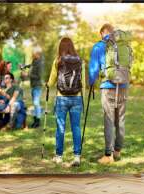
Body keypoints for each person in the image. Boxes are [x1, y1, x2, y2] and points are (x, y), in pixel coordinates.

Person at [89, 23, 128, 164]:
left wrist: (91, 82)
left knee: (109, 120)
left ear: (102, 33)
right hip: (123, 85)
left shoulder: (99, 46)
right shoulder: (123, 45)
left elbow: (93, 68)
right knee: (120, 120)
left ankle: (108, 155)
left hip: (108, 86)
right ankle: (117, 151)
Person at [47, 37, 86, 167]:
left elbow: (52, 81)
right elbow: (83, 82)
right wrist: (83, 98)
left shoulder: (57, 61)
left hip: (62, 97)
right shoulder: (80, 61)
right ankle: (77, 157)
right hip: (76, 97)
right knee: (76, 127)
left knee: (60, 127)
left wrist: (47, 85)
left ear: (61, 48)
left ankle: (58, 156)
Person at [27, 47, 44, 128]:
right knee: (35, 104)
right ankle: (35, 120)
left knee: (36, 103)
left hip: (37, 85)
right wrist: (24, 66)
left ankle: (38, 121)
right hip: (33, 85)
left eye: (33, 53)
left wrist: (29, 75)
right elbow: (30, 66)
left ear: (37, 54)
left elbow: (39, 76)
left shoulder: (40, 63)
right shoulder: (34, 62)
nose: (32, 55)